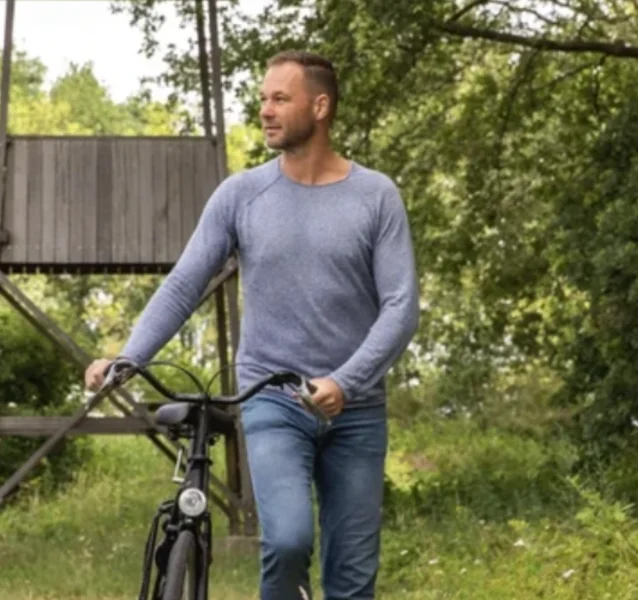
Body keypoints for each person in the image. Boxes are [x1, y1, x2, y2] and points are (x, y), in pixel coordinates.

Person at [84, 50, 420, 600]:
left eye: (279, 99)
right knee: (287, 540)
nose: (265, 110)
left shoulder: (375, 196)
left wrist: (345, 381)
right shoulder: (242, 195)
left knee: (352, 579)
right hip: (272, 400)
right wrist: (129, 357)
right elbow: (183, 284)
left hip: (355, 410)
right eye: (263, 98)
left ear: (321, 105)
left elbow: (401, 307)